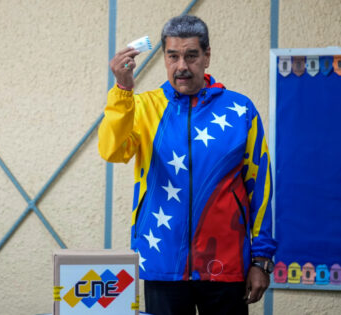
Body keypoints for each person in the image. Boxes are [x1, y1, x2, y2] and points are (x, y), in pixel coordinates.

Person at [98, 15, 276, 315]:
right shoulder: (142, 107)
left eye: (191, 56)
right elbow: (112, 151)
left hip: (225, 265)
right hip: (161, 262)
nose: (182, 66)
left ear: (207, 56)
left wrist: (261, 260)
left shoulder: (240, 110)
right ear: (165, 58)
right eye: (173, 56)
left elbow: (260, 189)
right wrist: (122, 91)